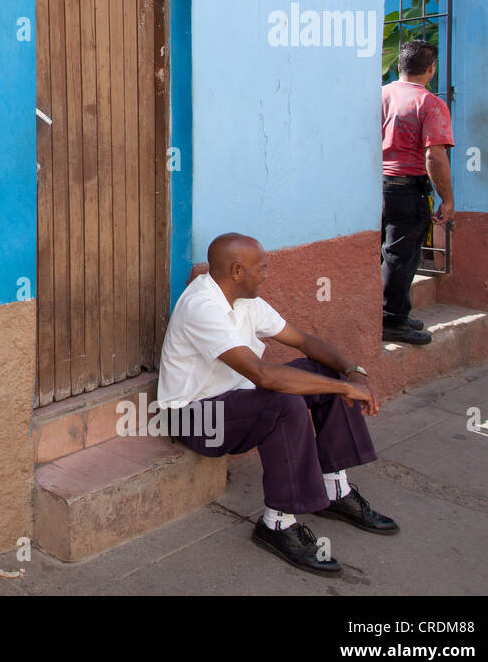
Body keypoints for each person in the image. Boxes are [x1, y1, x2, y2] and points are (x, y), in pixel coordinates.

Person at [157, 233, 399, 576]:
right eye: (262, 268)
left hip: (235, 400)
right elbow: (262, 376)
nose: (267, 274)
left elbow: (303, 341)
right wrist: (343, 389)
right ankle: (277, 524)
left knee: (323, 372)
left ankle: (335, 489)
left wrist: (351, 373)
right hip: (195, 418)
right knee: (286, 403)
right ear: (237, 270)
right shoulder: (202, 308)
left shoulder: (246, 300)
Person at [381, 39, 454, 344]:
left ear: (399, 66)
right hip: (407, 189)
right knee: (402, 257)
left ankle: (395, 313)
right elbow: (434, 156)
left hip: (375, 186)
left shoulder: (380, 95)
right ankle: (392, 322)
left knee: (386, 253)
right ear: (431, 69)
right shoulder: (430, 103)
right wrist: (447, 199)